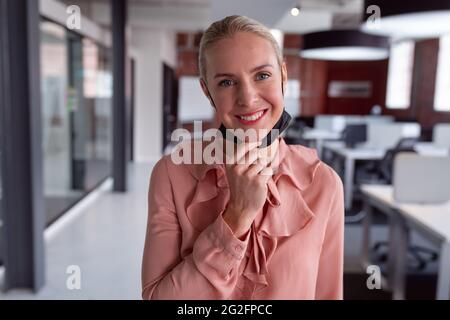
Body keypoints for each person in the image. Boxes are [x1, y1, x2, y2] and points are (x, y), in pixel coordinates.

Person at [141, 15, 344, 300]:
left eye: (262, 75)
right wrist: (236, 216)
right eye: (226, 82)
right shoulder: (172, 173)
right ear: (207, 91)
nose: (247, 98)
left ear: (283, 76)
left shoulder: (324, 184)